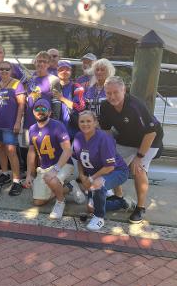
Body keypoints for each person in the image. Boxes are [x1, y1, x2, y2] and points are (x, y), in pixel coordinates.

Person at [100, 76, 164, 224]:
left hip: (150, 139)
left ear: (124, 90)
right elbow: (106, 131)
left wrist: (139, 157)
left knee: (138, 169)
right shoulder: (105, 106)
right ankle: (119, 196)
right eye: (108, 93)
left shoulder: (135, 105)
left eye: (116, 92)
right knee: (111, 164)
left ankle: (140, 208)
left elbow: (151, 132)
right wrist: (109, 151)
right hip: (127, 138)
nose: (112, 96)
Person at [24, 99, 81, 219]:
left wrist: (56, 169)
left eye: (43, 109)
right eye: (37, 109)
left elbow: (67, 150)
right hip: (44, 167)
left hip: (63, 164)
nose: (40, 111)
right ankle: (69, 187)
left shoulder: (57, 125)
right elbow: (31, 152)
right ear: (33, 112)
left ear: (49, 112)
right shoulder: (32, 129)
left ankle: (60, 202)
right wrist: (29, 174)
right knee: (38, 202)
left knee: (53, 180)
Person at [73, 110, 130, 231]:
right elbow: (79, 159)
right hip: (97, 174)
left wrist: (91, 179)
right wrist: (82, 176)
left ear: (95, 123)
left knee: (97, 185)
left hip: (117, 171)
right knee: (90, 208)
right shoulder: (78, 137)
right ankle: (122, 203)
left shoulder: (104, 138)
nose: (85, 124)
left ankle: (99, 218)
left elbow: (110, 166)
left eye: (89, 121)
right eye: (82, 121)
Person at [0, 61, 25, 196]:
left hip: (10, 125)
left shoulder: (16, 84)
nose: (4, 71)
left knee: (11, 151)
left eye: (7, 69)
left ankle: (16, 181)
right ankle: (4, 173)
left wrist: (17, 122)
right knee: (0, 148)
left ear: (11, 70)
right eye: (1, 69)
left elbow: (21, 105)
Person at [52, 60, 85, 139]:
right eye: (61, 69)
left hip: (72, 132)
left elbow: (80, 107)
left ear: (70, 71)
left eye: (67, 69)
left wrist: (62, 98)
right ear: (57, 71)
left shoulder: (77, 87)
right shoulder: (51, 86)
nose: (64, 71)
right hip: (55, 131)